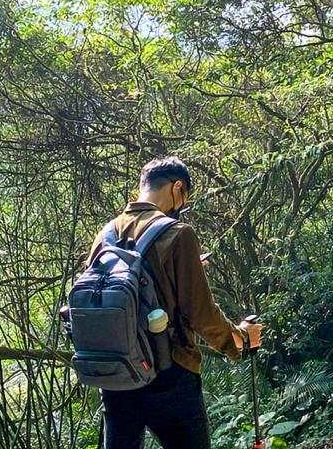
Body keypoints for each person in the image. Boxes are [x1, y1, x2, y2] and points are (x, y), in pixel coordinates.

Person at [85, 156, 262, 449]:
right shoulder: (178, 233)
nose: (178, 209)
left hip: (116, 375)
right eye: (183, 200)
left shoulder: (104, 236)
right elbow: (202, 314)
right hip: (169, 374)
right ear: (177, 187)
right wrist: (241, 338)